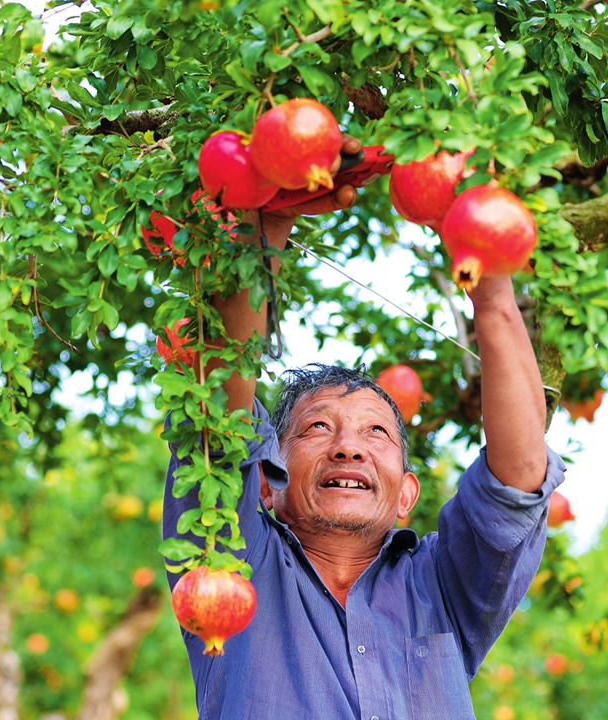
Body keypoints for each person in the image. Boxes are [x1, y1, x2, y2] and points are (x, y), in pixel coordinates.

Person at [163, 137, 566, 719]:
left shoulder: (442, 589)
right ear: (269, 484)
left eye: (377, 434)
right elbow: (220, 422)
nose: (348, 447)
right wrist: (269, 224)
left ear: (406, 493)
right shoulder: (229, 564)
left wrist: (490, 268)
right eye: (317, 428)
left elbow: (520, 478)